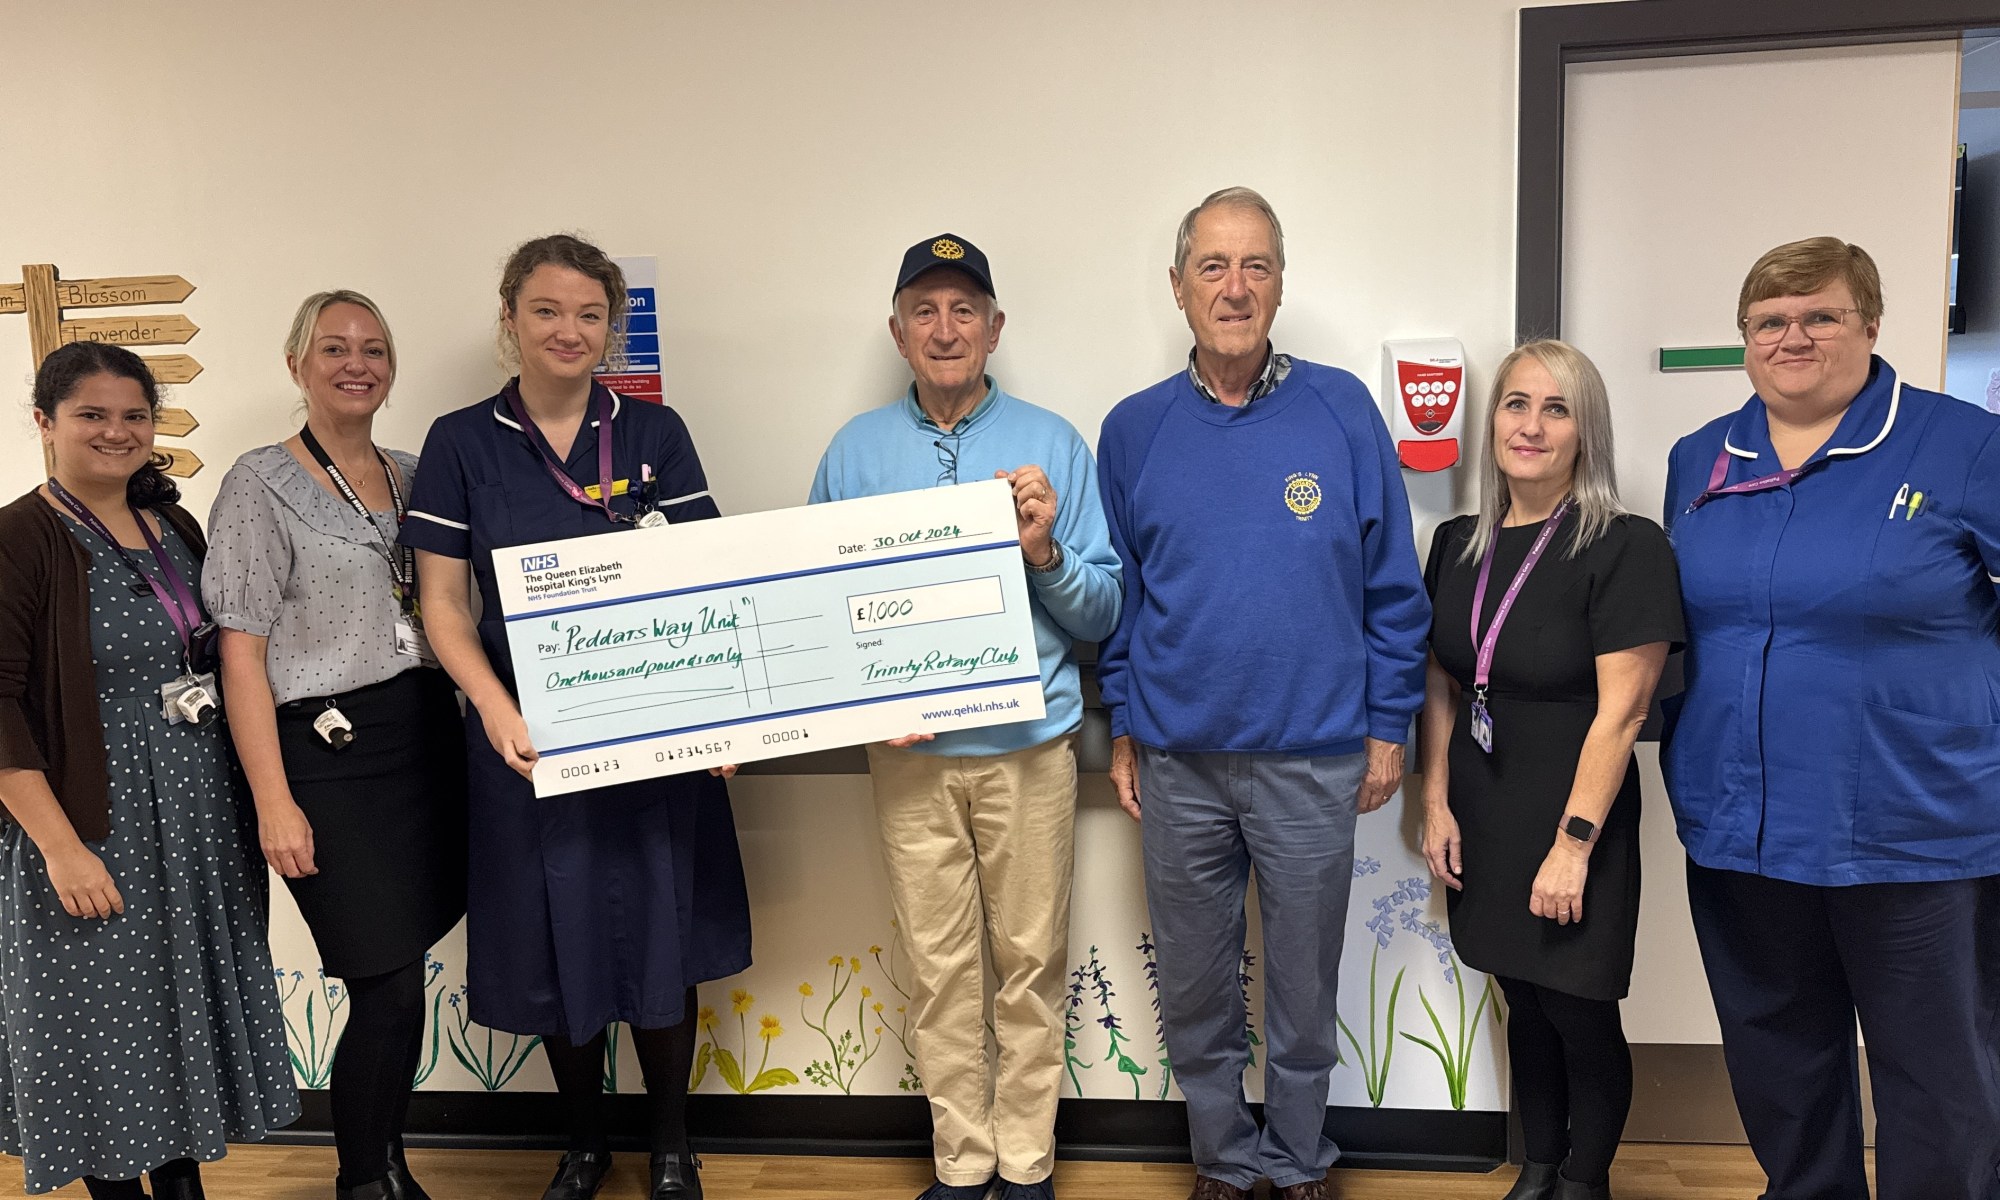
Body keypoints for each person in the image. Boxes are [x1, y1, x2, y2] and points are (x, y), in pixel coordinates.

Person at [399, 234, 750, 1200]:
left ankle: (671, 1142)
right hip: (527, 744)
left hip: (655, 735)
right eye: (547, 311)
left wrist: (720, 717)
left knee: (662, 932)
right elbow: (441, 603)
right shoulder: (460, 441)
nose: (569, 330)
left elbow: (703, 584)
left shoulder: (653, 433)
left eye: (590, 315)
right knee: (559, 944)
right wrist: (495, 707)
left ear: (613, 331)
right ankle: (585, 1143)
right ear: (509, 318)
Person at [1095, 187, 1430, 1200]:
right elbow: (1118, 597)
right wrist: (1122, 725)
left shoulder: (1339, 412)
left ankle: (1295, 1162)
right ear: (1176, 286)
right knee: (1196, 990)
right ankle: (1222, 1162)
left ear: (1280, 283)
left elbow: (1392, 586)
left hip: (1313, 760)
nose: (1233, 288)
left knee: (1299, 987)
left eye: (1254, 266)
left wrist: (1386, 729)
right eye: (1211, 266)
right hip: (1178, 765)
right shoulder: (1133, 430)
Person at [1662, 237, 2000, 1200]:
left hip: (1915, 831)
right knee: (1779, 1062)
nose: (1793, 336)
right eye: (1770, 321)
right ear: (1745, 339)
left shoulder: (1961, 446)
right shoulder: (1701, 459)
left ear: (1872, 325)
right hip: (1743, 828)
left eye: (1821, 316)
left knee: (1939, 1078)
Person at [808, 234, 1122, 1200]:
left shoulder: (1055, 442)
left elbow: (1104, 613)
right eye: (925, 311)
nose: (946, 330)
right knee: (940, 968)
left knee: (1030, 962)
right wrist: (868, 697)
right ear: (898, 331)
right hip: (910, 759)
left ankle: (1026, 1166)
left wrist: (1042, 553)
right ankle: (960, 1163)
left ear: (994, 328)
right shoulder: (855, 451)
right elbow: (819, 612)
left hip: (1031, 750)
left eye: (964, 311)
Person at [0, 342, 299, 1197]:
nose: (116, 432)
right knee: (109, 1039)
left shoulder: (175, 526)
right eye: (91, 415)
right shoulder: (21, 537)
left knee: (171, 1030)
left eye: (134, 415)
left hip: (195, 817)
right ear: (44, 423)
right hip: (95, 823)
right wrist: (60, 848)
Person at [204, 291, 469, 1200]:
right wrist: (274, 799)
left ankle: (389, 1164)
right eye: (334, 348)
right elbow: (240, 654)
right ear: (296, 365)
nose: (356, 363)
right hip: (328, 754)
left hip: (423, 743)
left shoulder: (413, 472)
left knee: (409, 979)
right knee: (385, 985)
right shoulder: (257, 483)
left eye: (374, 349)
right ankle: (365, 1181)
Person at [1418, 340, 1681, 1200]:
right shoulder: (1459, 543)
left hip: (1577, 811)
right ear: (1491, 420)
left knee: (1576, 1002)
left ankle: (1584, 1180)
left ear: (1585, 433)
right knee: (1520, 996)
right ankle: (1537, 1168)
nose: (1531, 426)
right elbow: (1444, 680)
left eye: (1556, 409)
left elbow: (1625, 711)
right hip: (1485, 806)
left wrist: (1573, 844)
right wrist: (1435, 800)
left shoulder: (1625, 546)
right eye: (1516, 404)